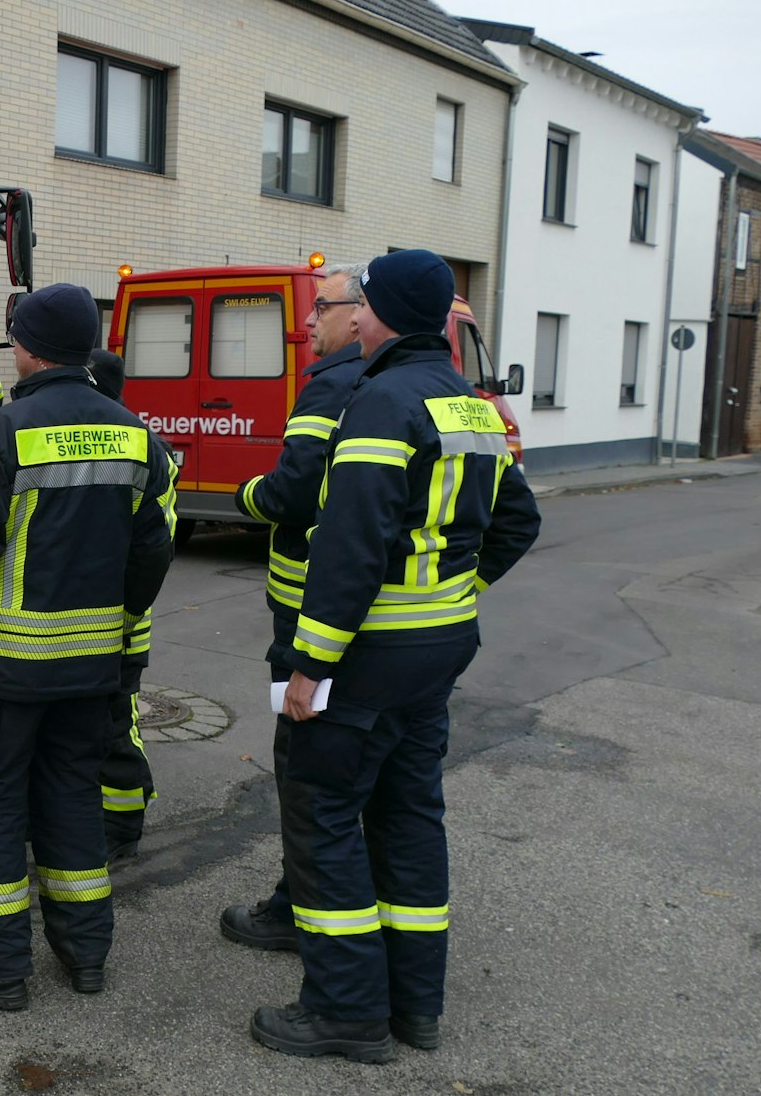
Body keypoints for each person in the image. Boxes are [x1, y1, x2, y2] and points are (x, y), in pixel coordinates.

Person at [249, 250, 540, 1063]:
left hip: (369, 656)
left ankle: (344, 1011)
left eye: (364, 305)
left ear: (386, 315)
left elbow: (350, 547)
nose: (355, 318)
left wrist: (310, 663)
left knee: (325, 814)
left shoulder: (381, 401)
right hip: (439, 651)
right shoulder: (474, 407)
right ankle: (416, 1005)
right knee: (411, 816)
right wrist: (451, 586)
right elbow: (517, 523)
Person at [0, 284, 173, 1010]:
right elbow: (151, 554)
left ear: (30, 348)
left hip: (3, 673)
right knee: (74, 800)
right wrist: (112, 620)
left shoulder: (2, 435)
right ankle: (86, 955)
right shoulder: (137, 436)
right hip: (90, 669)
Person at [219, 263, 368, 947]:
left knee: (303, 767)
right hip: (388, 626)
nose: (306, 322)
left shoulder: (330, 388)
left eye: (320, 309)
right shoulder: (423, 387)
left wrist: (246, 495)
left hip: (309, 622)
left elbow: (291, 490)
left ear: (357, 316)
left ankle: (296, 910)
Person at [85, 348, 177, 861]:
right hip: (108, 621)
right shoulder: (141, 441)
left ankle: (122, 823)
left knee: (117, 725)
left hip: (118, 625)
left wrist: (122, 615)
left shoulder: (139, 449)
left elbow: (153, 549)